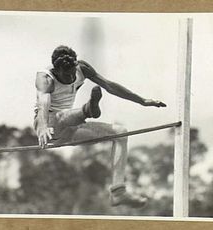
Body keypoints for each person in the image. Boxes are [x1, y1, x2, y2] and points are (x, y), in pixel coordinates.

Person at [33, 45, 166, 208]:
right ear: (56, 70)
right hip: (50, 128)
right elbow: (43, 105)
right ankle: (88, 109)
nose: (69, 79)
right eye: (65, 76)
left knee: (120, 132)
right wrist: (44, 126)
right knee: (61, 116)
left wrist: (142, 101)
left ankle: (118, 192)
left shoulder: (82, 68)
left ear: (75, 66)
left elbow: (109, 86)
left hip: (72, 130)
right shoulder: (45, 78)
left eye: (72, 74)